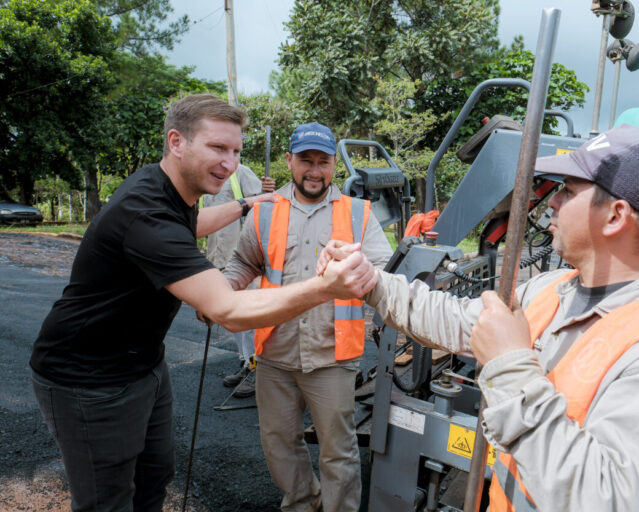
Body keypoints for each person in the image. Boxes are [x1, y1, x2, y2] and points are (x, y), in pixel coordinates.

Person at [321, 124, 639, 511]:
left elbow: (606, 500)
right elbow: (453, 319)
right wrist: (370, 282)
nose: (552, 205)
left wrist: (510, 366)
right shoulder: (551, 290)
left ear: (616, 215)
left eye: (567, 191)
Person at [29, 95, 378, 512]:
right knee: (107, 499)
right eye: (217, 148)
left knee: (155, 477)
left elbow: (191, 225)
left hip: (154, 365)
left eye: (235, 151)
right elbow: (228, 303)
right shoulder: (149, 212)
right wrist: (322, 287)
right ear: (176, 142)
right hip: (90, 377)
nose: (230, 163)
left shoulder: (169, 194)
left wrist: (246, 204)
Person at [223, 121, 392, 511]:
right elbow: (242, 263)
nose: (314, 170)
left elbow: (385, 271)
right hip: (275, 352)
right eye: (305, 160)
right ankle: (303, 503)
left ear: (334, 165)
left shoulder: (357, 214)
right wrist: (221, 291)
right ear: (289, 161)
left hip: (332, 354)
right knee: (279, 443)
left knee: (338, 451)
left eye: (323, 161)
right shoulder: (265, 211)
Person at [200, 163, 275, 396]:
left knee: (249, 318)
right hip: (218, 258)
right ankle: (245, 362)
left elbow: (264, 201)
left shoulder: (241, 173)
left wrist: (266, 189)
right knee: (233, 318)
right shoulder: (204, 177)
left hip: (243, 261)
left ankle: (257, 367)